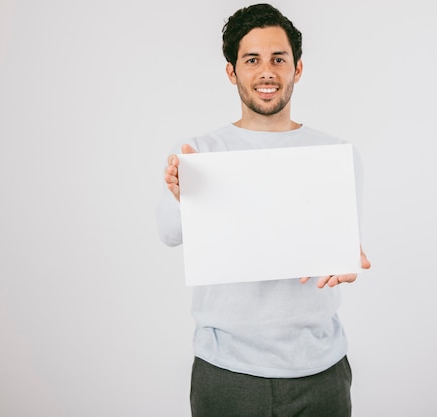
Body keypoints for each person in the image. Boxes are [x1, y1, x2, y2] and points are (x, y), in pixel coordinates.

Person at [156, 4, 371, 416]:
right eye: (252, 60)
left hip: (320, 370)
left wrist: (348, 259)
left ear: (298, 68)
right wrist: (181, 195)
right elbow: (167, 233)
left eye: (279, 59)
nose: (267, 71)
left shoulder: (335, 154)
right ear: (232, 72)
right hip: (226, 371)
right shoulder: (200, 152)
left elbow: (343, 247)